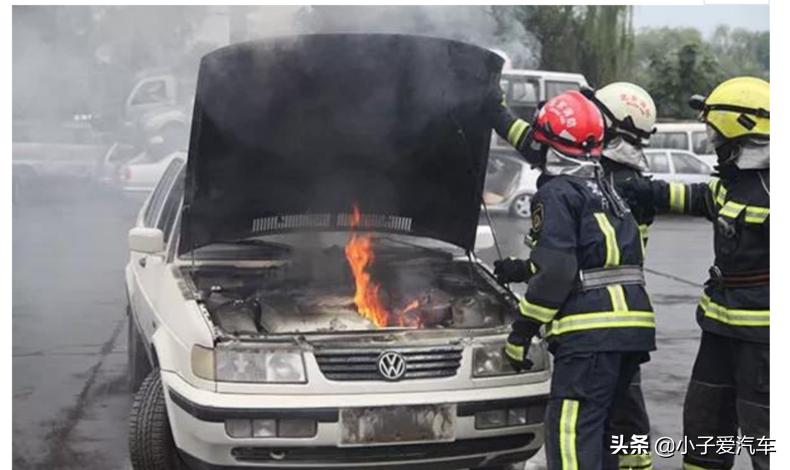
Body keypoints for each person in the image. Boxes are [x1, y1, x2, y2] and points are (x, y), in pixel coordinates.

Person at [487, 90, 656, 470]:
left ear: (549, 145)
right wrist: (523, 269)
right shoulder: (610, 187)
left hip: (588, 335)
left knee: (571, 434)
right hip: (630, 331)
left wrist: (521, 333)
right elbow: (592, 262)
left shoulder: (557, 193)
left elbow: (559, 275)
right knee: (607, 436)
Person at [618, 76, 769, 470]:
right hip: (719, 333)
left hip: (765, 345)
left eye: (714, 133)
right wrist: (644, 190)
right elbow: (699, 197)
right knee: (705, 432)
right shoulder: (734, 185)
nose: (710, 142)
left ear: (740, 132)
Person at [584, 82, 659, 470]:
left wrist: (496, 111)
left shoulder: (602, 183)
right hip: (632, 317)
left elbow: (534, 144)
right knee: (626, 406)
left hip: (598, 316)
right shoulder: (636, 182)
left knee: (598, 412)